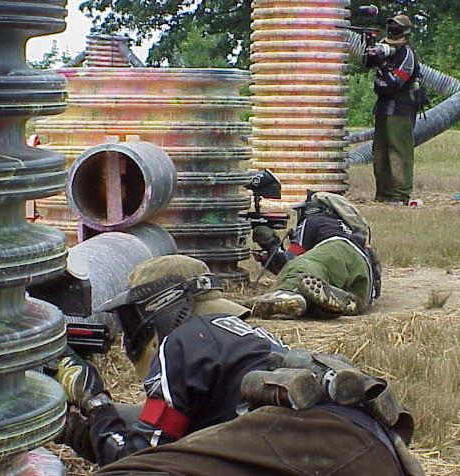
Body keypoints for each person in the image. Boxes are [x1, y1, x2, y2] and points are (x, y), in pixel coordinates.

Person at [56, 254, 288, 467]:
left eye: (131, 318)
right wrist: (77, 430)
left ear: (159, 308)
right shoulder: (254, 336)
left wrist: (95, 401)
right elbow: (176, 438)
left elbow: (138, 464)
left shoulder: (182, 342)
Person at [91, 350, 425, 476]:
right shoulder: (242, 340)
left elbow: (137, 453)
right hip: (370, 438)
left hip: (325, 436)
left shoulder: (184, 340)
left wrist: (97, 408)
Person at [251, 191, 380, 319]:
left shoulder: (313, 220)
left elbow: (288, 262)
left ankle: (287, 295)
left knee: (298, 267)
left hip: (335, 249)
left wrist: (271, 242)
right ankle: (351, 302)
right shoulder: (350, 229)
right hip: (364, 272)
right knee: (313, 296)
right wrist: (267, 259)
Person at [365, 14, 420, 205]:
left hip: (401, 109)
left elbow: (395, 83)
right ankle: (384, 194)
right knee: (380, 152)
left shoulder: (407, 55)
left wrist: (382, 63)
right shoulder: (386, 47)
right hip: (383, 107)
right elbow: (367, 64)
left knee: (398, 151)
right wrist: (370, 50)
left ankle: (400, 195)